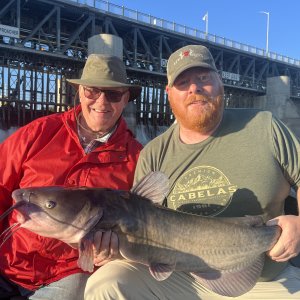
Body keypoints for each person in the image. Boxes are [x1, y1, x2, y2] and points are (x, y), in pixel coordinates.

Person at [85, 45, 300, 299]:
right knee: (106, 284)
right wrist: (110, 250)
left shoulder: (264, 126)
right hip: (181, 280)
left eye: (203, 78)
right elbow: (139, 231)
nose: (194, 88)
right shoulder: (153, 153)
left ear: (220, 82)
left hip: (266, 279)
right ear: (169, 93)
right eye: (183, 82)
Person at [0, 54, 142, 300]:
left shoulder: (137, 158)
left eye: (114, 94)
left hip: (70, 274)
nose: (101, 101)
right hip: (7, 260)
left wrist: (114, 253)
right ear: (79, 91)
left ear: (126, 98)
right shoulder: (38, 133)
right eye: (92, 91)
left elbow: (140, 229)